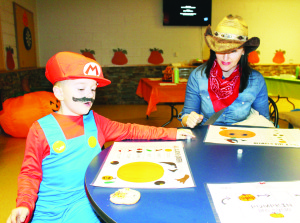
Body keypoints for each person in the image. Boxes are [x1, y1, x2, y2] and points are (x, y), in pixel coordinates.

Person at [7, 51, 195, 223]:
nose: (89, 96)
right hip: (46, 211)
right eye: (81, 89)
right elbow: (30, 173)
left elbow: (131, 130)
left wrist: (172, 132)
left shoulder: (96, 122)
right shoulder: (40, 129)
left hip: (85, 204)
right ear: (58, 93)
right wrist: (24, 203)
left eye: (93, 89)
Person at [180, 14, 270, 128]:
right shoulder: (198, 76)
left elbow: (264, 121)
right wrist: (189, 119)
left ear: (243, 51)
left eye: (233, 51)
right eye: (221, 50)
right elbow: (185, 116)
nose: (225, 58)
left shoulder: (256, 80)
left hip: (243, 138)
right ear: (214, 49)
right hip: (205, 137)